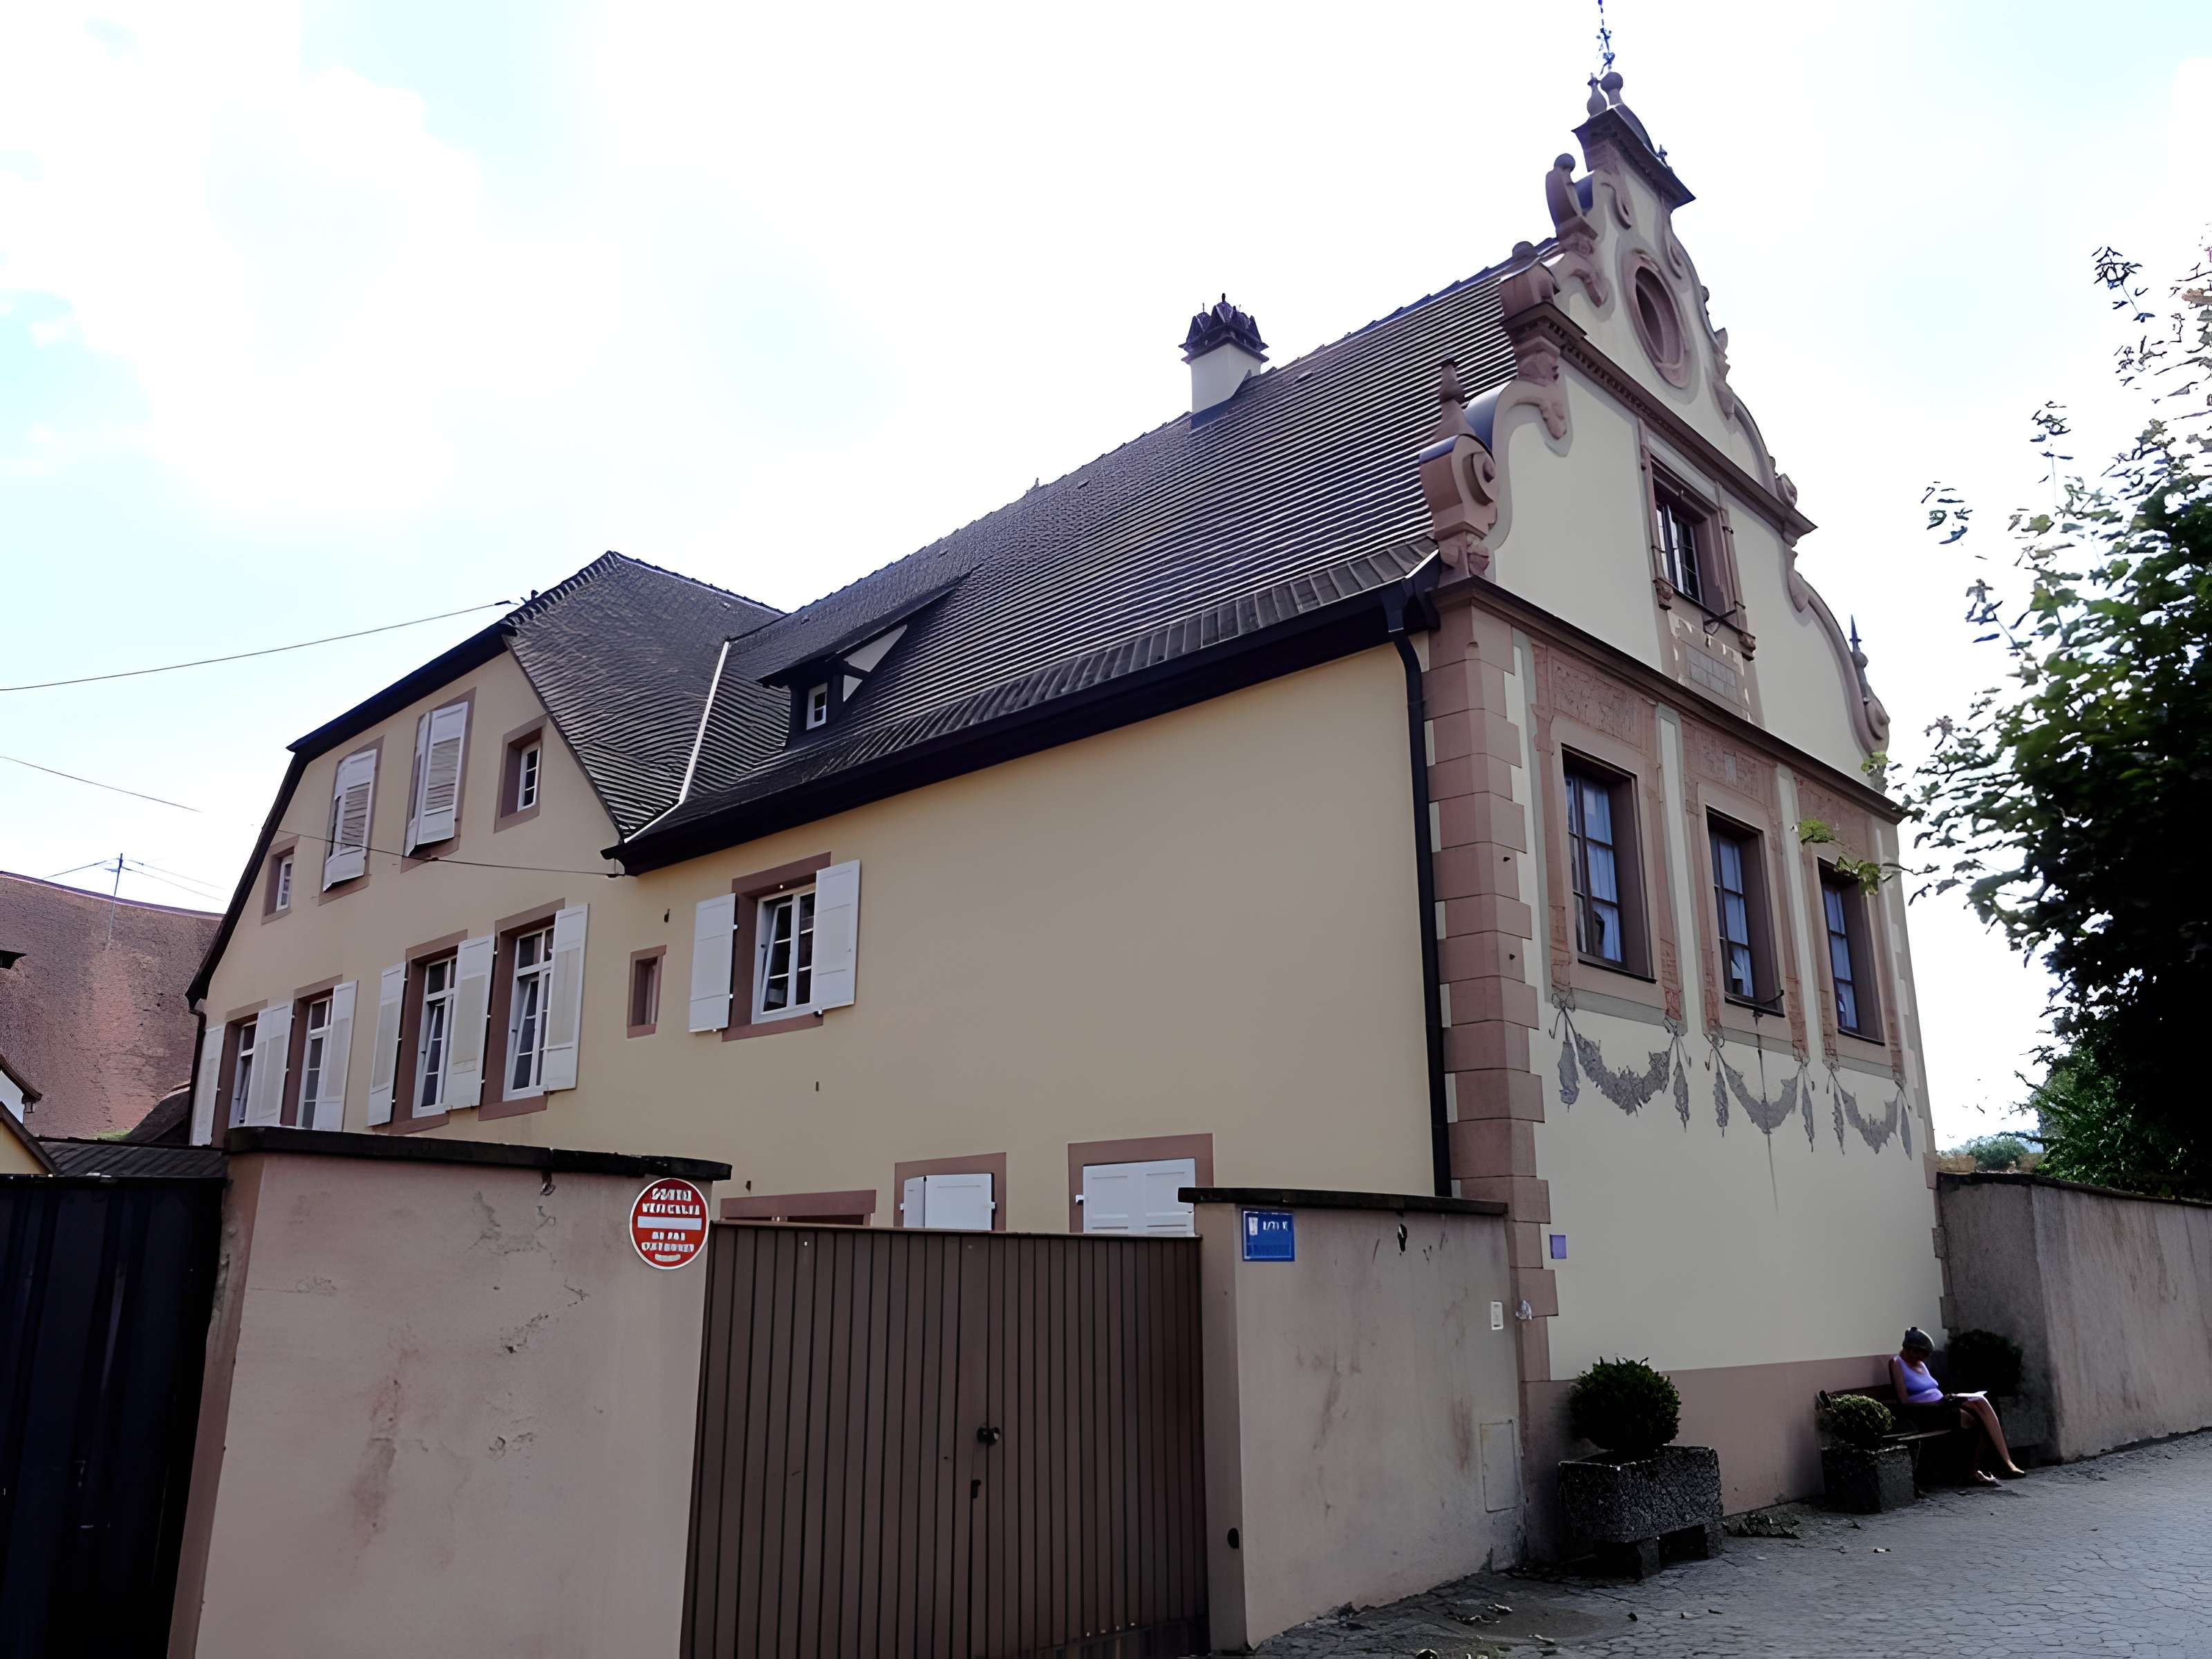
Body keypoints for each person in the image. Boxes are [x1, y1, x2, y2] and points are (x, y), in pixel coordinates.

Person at [1889, 1327, 2026, 1485]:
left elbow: (1932, 1388)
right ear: (1911, 1349)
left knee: (1980, 1401)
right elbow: (1904, 1401)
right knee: (1978, 1416)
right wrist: (1936, 1402)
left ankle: (2004, 1463)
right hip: (1927, 1412)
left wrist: (1946, 1399)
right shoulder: (1896, 1363)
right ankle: (1983, 1469)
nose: (1924, 1358)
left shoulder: (1920, 1364)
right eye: (1922, 1354)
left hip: (1942, 1404)